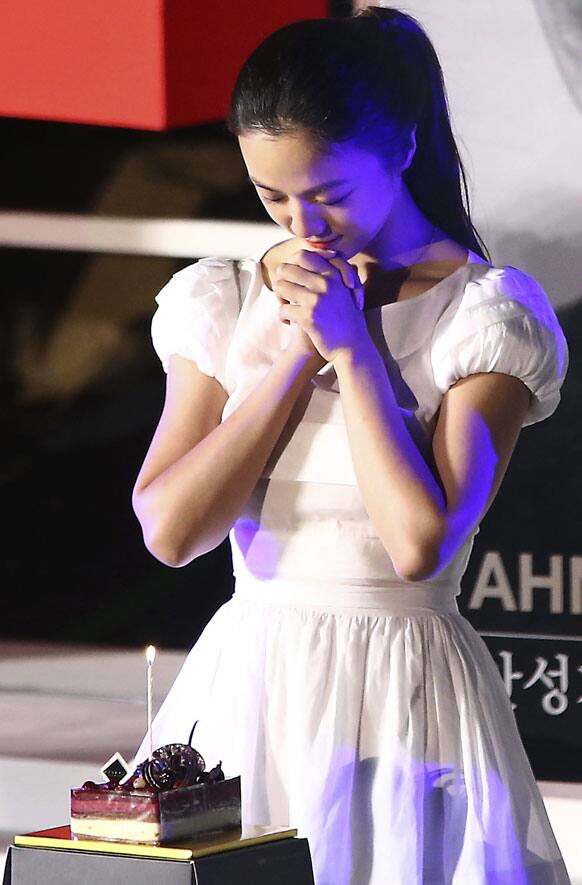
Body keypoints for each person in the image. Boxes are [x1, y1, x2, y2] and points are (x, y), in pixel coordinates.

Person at [131, 7, 570, 883]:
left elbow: (420, 544)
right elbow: (173, 532)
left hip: (403, 693)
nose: (305, 224)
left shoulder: (487, 316)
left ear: (401, 145)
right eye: (273, 197)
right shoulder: (220, 301)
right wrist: (293, 355)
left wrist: (354, 349)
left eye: (328, 192)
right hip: (251, 684)